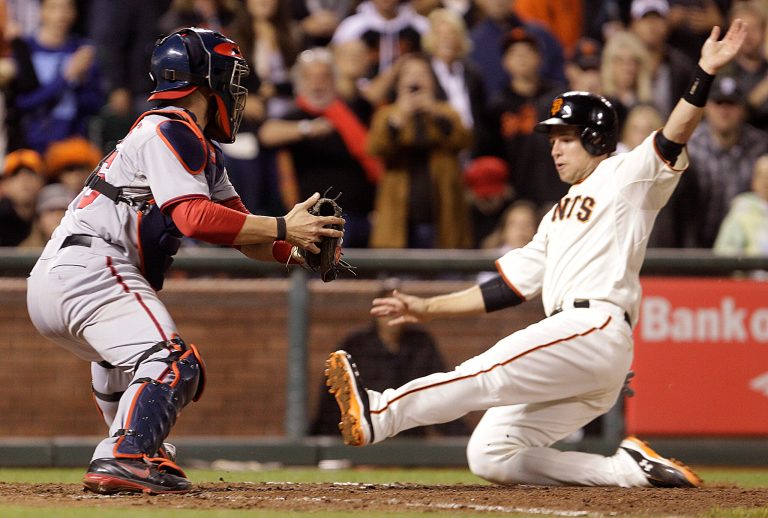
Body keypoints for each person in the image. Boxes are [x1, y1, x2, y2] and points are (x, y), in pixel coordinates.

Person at [324, 19, 747, 488]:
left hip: (591, 326)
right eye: (552, 141)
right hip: (586, 350)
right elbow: (509, 286)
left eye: (566, 138)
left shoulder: (628, 174)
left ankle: (381, 411)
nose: (556, 150)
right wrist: (429, 307)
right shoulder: (557, 213)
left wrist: (704, 71)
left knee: (484, 374)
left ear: (594, 139)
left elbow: (674, 134)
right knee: (489, 454)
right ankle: (621, 470)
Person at [26, 27, 343, 496]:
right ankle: (128, 456)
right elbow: (193, 218)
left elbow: (237, 228)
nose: (237, 92)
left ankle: (127, 454)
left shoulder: (192, 143)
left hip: (70, 276)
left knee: (138, 380)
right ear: (203, 79)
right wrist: (282, 225)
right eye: (231, 79)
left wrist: (296, 248)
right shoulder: (169, 127)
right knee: (173, 362)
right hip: (93, 270)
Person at [313, 281, 469, 437]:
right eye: (385, 307)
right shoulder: (356, 344)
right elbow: (334, 401)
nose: (391, 313)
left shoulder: (421, 343)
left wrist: (463, 440)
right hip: (366, 436)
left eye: (395, 307)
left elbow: (439, 394)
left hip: (409, 438)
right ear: (375, 311)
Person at [259, 47, 379, 248]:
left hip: (364, 214)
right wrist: (307, 128)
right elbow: (266, 134)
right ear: (299, 83)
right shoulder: (297, 115)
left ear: (334, 80)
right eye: (309, 77)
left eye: (323, 77)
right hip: (319, 220)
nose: (317, 84)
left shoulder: (356, 110)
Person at [367, 53, 473, 249]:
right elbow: (376, 149)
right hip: (399, 214)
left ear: (432, 81)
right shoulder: (387, 114)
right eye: (409, 73)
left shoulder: (446, 111)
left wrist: (436, 113)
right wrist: (399, 118)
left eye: (423, 73)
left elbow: (466, 142)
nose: (416, 79)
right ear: (399, 82)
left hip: (442, 211)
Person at [713, 153, 768, 256]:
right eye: (763, 176)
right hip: (752, 270)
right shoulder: (742, 209)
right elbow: (725, 251)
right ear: (754, 182)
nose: (766, 181)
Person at [0, 148, 45, 246]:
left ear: (42, 181)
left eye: (31, 173)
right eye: (15, 174)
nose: (24, 179)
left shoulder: (50, 213)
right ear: (4, 185)